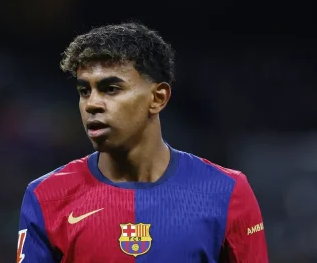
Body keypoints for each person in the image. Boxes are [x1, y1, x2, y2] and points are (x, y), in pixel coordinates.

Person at [17, 22, 268, 262]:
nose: (92, 104)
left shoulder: (227, 191)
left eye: (111, 88)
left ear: (158, 98)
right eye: (84, 91)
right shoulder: (46, 196)